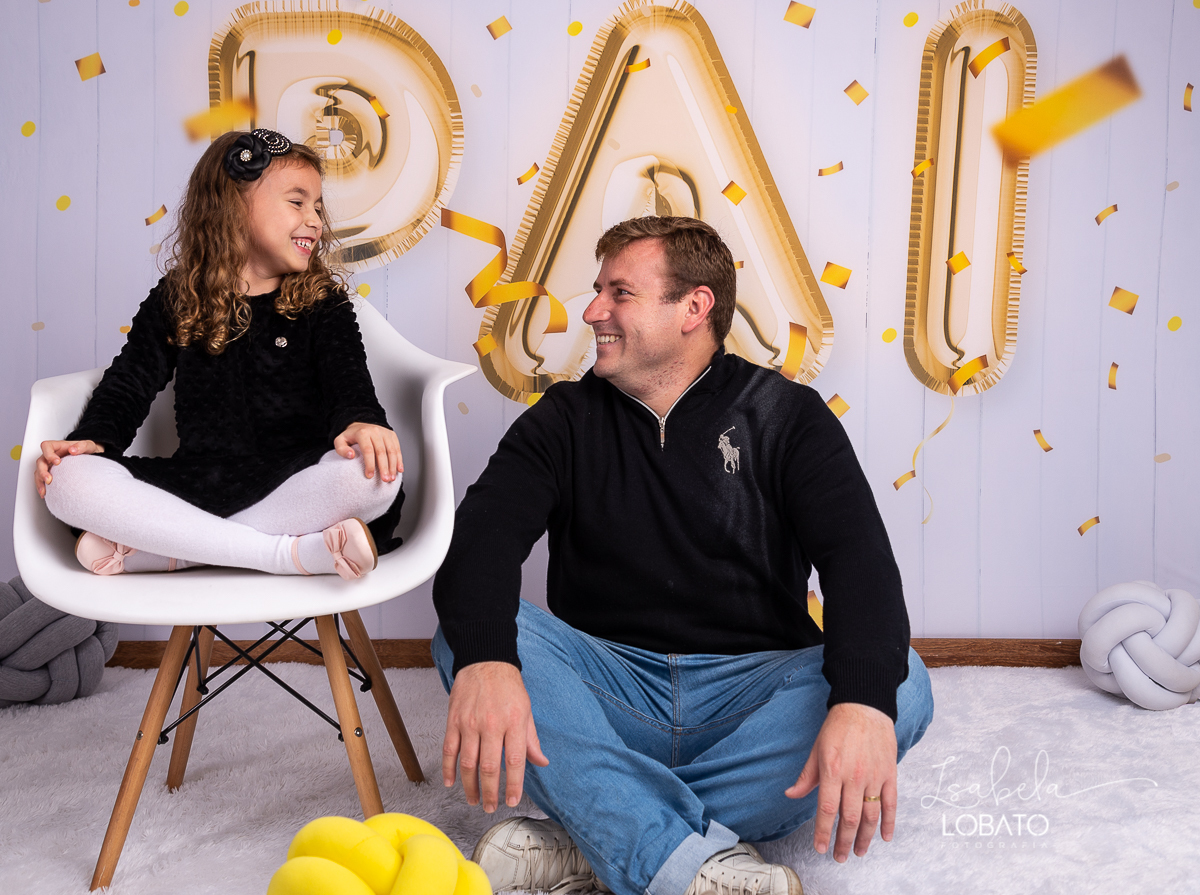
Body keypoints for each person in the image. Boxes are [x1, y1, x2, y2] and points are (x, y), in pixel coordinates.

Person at [431, 216, 935, 895]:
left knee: (898, 683)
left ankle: (601, 833)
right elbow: (481, 540)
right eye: (597, 290)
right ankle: (680, 862)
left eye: (619, 293)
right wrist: (488, 659)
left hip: (752, 693)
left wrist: (862, 705)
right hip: (608, 693)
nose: (592, 311)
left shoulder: (789, 415)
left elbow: (860, 564)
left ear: (694, 307)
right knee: (470, 636)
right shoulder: (564, 417)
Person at [36, 129, 402, 580]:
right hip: (196, 481)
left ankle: (169, 549)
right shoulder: (177, 297)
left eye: (318, 207)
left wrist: (362, 421)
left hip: (292, 478)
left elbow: (349, 384)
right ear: (233, 205)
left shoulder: (323, 303)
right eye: (297, 202)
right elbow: (129, 382)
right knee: (66, 481)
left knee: (374, 475)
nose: (315, 220)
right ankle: (289, 555)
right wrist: (94, 439)